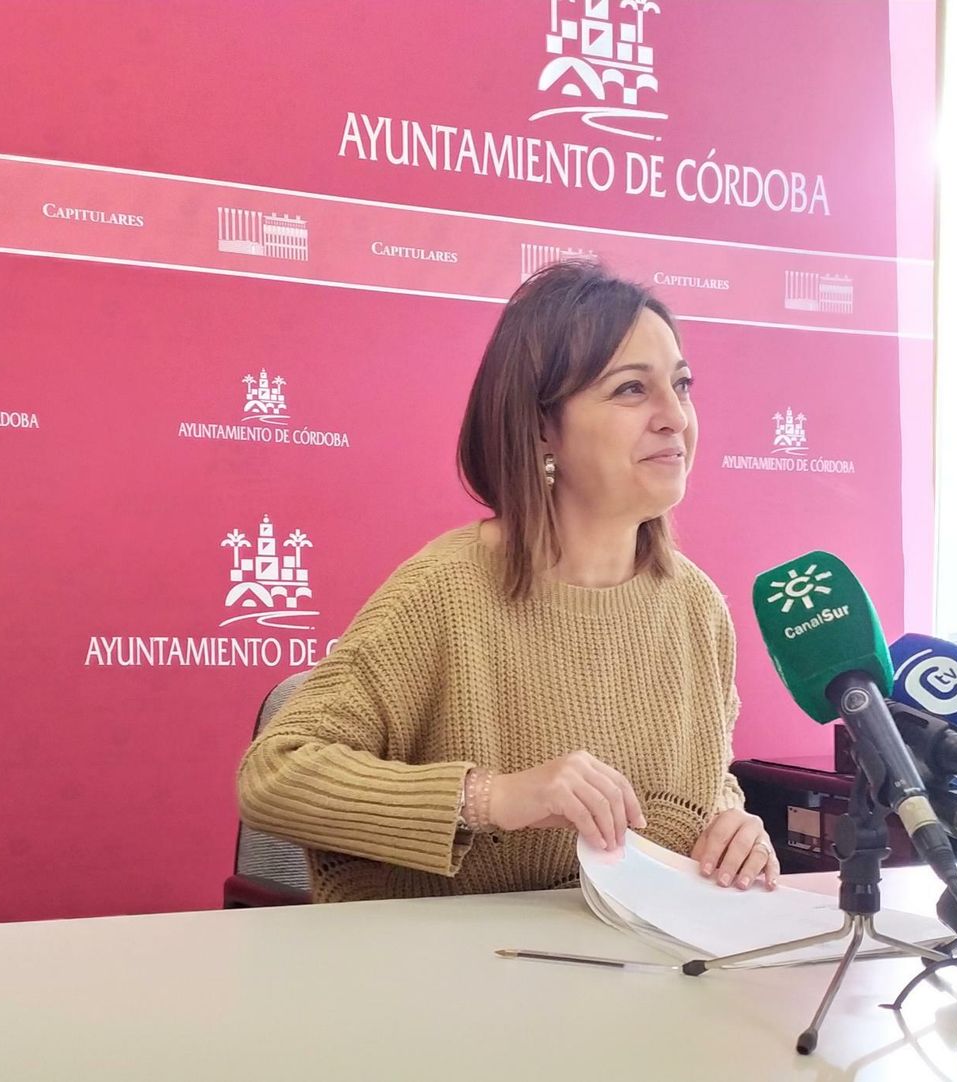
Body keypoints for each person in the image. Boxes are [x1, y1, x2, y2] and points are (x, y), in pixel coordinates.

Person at [236, 260, 777, 903]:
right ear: (543, 426)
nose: (674, 417)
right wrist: (492, 797)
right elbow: (274, 775)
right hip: (447, 983)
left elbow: (707, 786)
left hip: (637, 976)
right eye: (632, 390)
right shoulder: (444, 591)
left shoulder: (698, 608)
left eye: (681, 385)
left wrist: (734, 829)